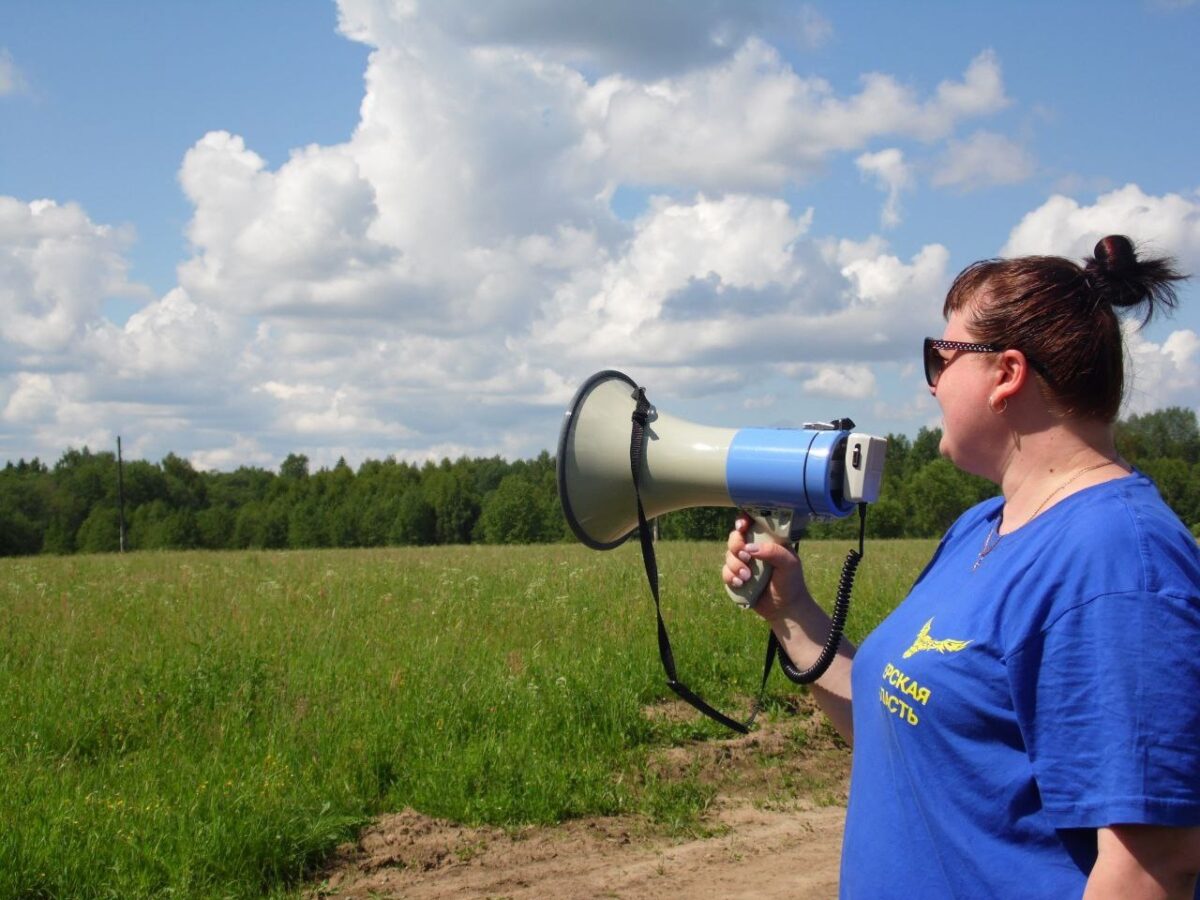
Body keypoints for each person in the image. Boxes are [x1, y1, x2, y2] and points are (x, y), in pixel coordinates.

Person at [723, 235, 1200, 899]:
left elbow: (1155, 866)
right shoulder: (982, 526)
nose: (930, 383)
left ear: (1006, 374)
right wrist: (789, 612)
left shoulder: (1117, 562)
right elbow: (905, 728)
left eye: (940, 358)